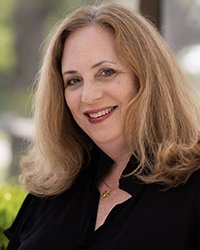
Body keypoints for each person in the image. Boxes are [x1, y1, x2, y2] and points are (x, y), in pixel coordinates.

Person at [5, 3, 200, 250]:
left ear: (146, 78)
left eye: (106, 72)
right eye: (73, 81)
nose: (88, 96)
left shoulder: (193, 184)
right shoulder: (54, 185)